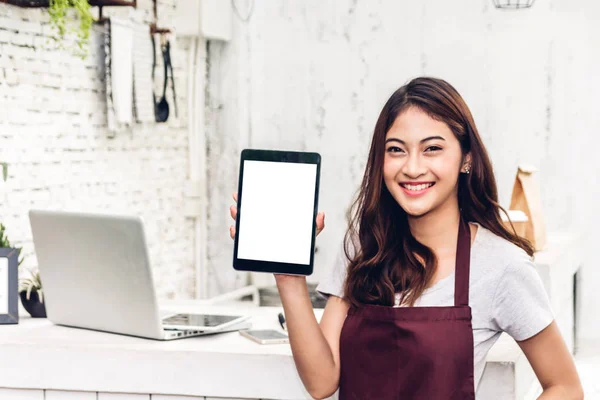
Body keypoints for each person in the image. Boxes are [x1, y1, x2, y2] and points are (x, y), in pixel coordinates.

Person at [228, 77, 583, 399]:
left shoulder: (501, 265)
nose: (412, 167)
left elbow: (565, 387)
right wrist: (289, 277)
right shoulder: (363, 248)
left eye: (432, 149)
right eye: (396, 149)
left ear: (466, 159)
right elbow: (321, 381)